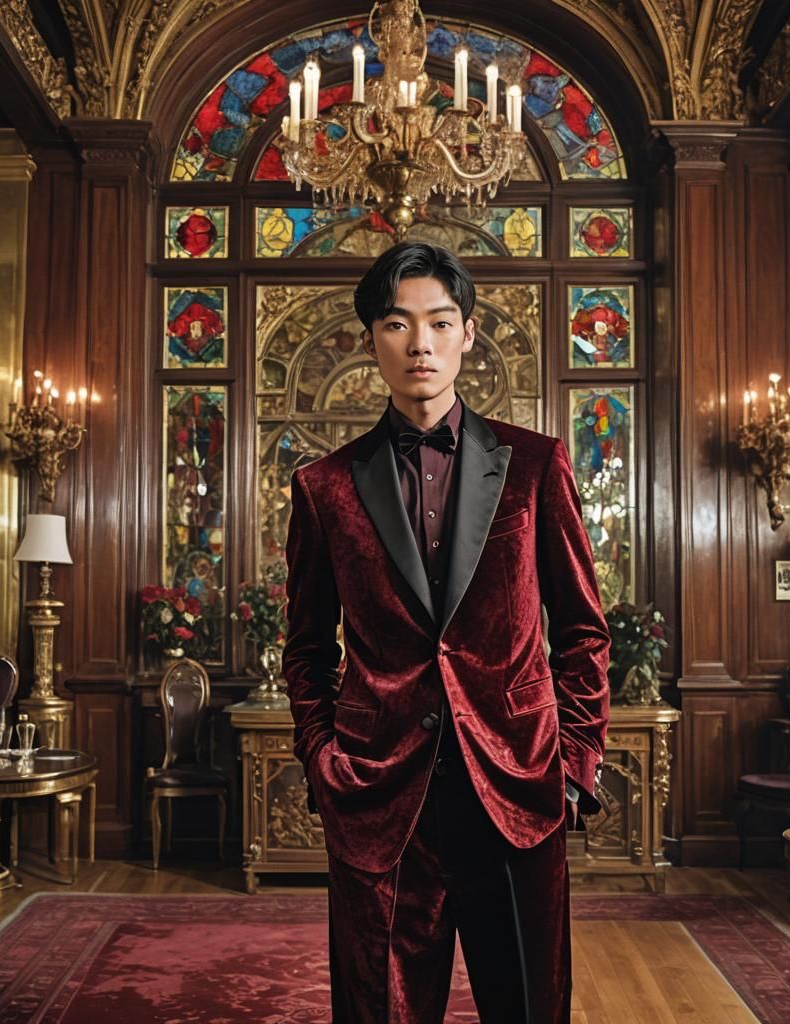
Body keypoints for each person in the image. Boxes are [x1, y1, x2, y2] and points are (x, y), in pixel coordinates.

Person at [283, 241, 611, 1023]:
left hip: (518, 783)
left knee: (529, 1005)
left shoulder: (536, 466)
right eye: (398, 324)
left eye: (439, 321)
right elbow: (304, 649)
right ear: (371, 341)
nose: (419, 343)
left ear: (467, 334)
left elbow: (583, 631)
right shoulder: (324, 486)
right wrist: (324, 759)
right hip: (380, 791)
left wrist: (572, 762)